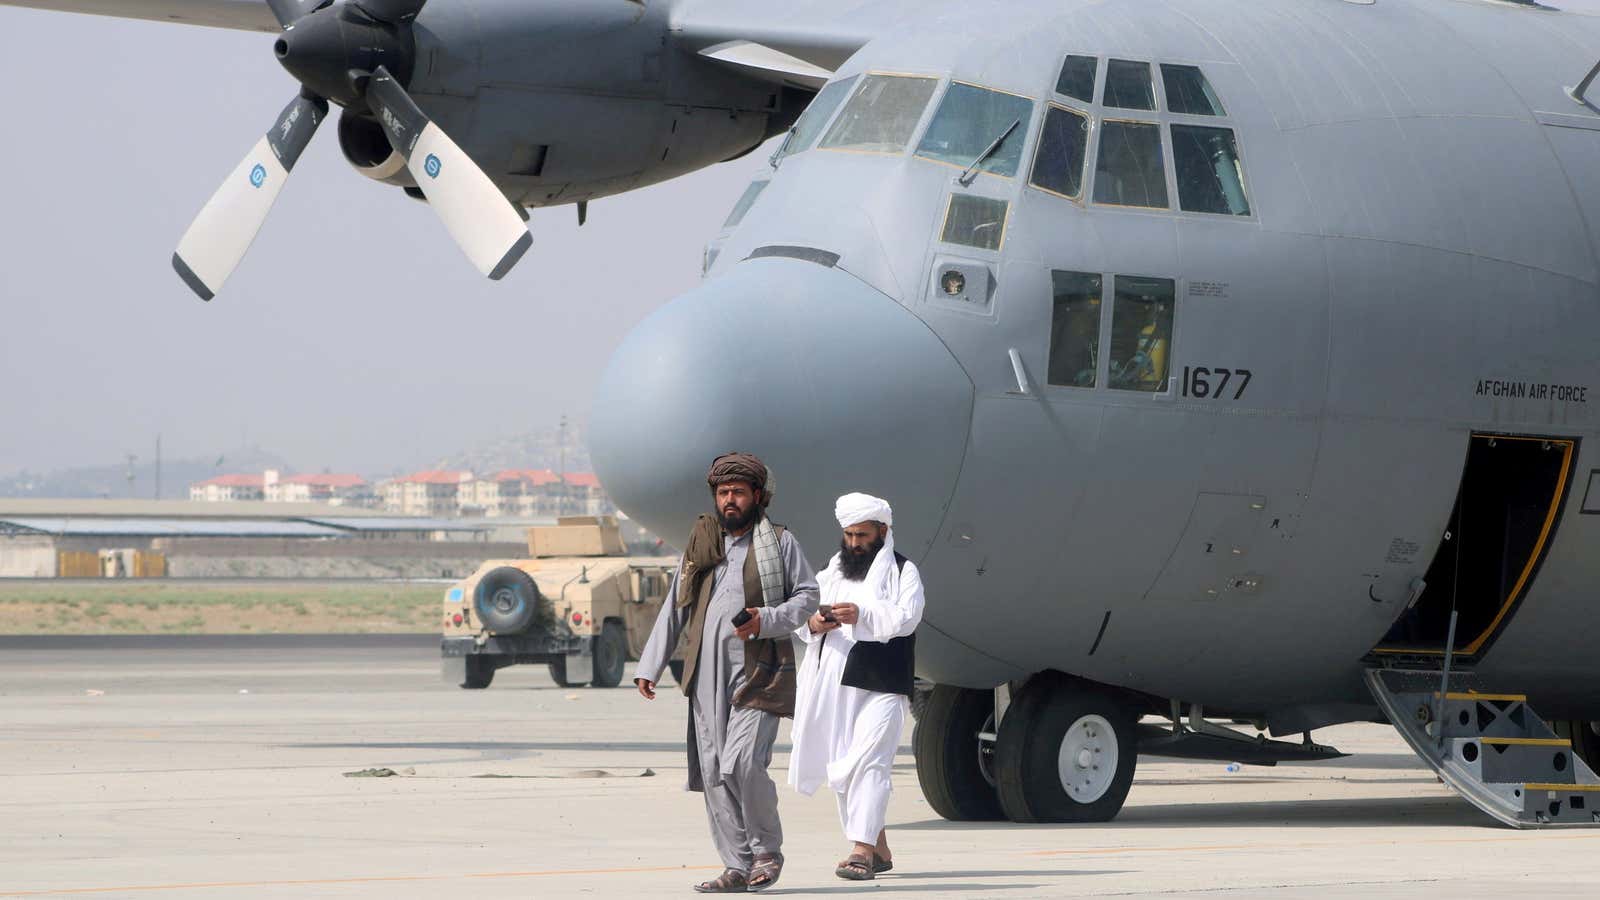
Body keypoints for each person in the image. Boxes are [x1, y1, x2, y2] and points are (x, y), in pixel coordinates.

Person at [634, 452, 819, 893]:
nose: (729, 500)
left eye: (737, 492)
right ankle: (736, 865)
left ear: (757, 495)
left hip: (761, 672)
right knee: (715, 769)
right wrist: (650, 665)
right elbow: (674, 607)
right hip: (706, 677)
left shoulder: (779, 543)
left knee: (742, 762)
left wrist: (768, 619)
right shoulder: (701, 545)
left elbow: (808, 596)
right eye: (723, 493)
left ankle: (767, 850)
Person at [788, 493, 924, 881]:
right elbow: (803, 617)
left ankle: (861, 852)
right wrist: (815, 624)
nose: (853, 543)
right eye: (848, 534)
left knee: (869, 761)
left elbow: (907, 617)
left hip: (882, 681)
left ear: (883, 531)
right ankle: (878, 847)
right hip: (833, 682)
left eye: (861, 535)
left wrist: (863, 615)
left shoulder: (903, 571)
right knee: (845, 766)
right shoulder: (832, 572)